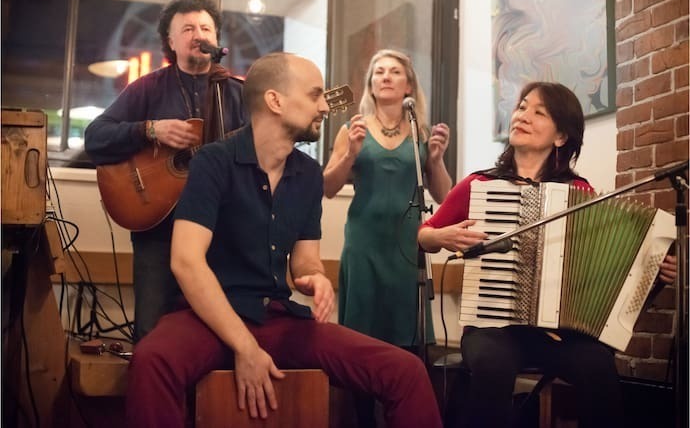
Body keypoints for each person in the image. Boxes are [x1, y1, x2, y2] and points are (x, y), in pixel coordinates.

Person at [124, 52, 443, 428]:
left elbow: (304, 261)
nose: (325, 105)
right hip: (208, 318)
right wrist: (245, 348)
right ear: (275, 101)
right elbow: (186, 262)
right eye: (314, 95)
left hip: (277, 318)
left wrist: (315, 278)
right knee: (151, 361)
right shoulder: (213, 162)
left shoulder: (307, 174)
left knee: (404, 370)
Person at [417, 81, 678, 428]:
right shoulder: (479, 185)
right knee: (492, 367)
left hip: (558, 332)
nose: (523, 115)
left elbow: (606, 262)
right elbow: (422, 237)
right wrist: (440, 234)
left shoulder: (580, 192)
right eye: (522, 107)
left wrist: (654, 268)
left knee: (597, 366)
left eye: (539, 112)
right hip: (492, 327)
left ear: (560, 137)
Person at [84, 0, 247, 342]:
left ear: (217, 40)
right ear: (171, 42)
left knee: (214, 331)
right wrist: (150, 129)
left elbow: (258, 153)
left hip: (220, 229)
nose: (198, 34)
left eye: (205, 28)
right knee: (152, 331)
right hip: (158, 227)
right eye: (188, 28)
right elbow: (94, 137)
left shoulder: (237, 94)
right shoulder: (148, 87)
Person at [323, 49, 452, 347]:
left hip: (408, 248)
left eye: (394, 71)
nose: (386, 77)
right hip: (364, 246)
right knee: (361, 338)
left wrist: (436, 160)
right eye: (379, 72)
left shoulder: (421, 132)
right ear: (370, 85)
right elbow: (327, 188)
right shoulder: (352, 129)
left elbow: (443, 194)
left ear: (408, 85)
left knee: (407, 338)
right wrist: (350, 155)